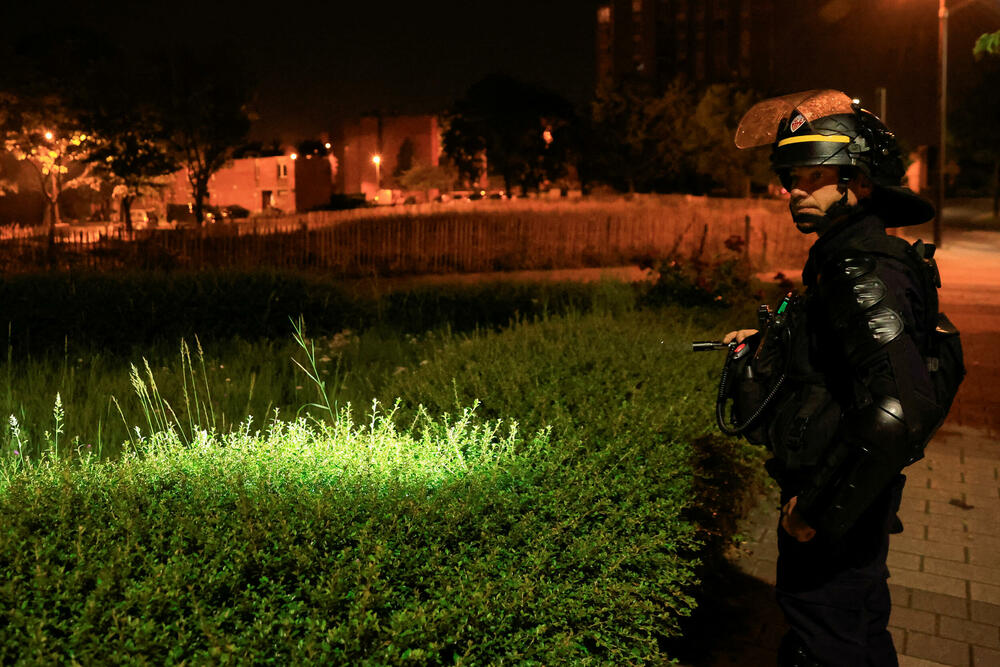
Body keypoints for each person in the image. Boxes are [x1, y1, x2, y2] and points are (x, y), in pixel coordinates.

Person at [725, 90, 948, 666]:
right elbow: (847, 363)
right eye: (789, 175)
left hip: (835, 498)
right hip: (852, 489)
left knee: (823, 639)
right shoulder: (846, 254)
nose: (793, 189)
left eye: (813, 175)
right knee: (858, 627)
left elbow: (899, 408)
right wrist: (770, 344)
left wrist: (815, 511)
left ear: (862, 182)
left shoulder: (859, 266)